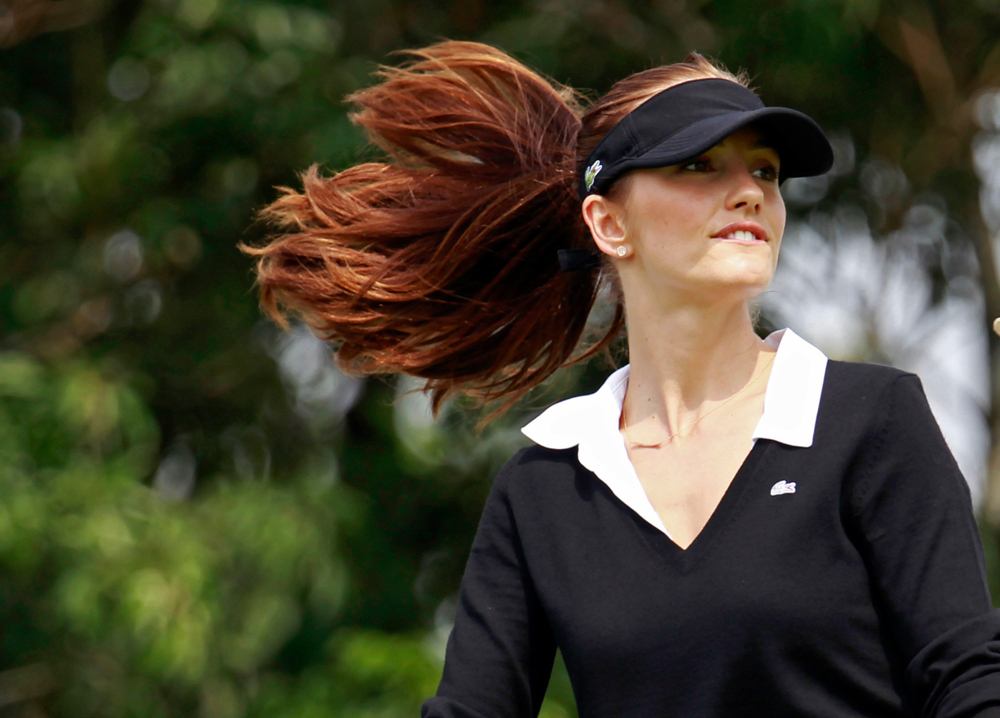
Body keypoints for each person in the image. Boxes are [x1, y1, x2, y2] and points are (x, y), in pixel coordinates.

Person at [243, 41, 1000, 717]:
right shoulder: (545, 486)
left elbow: (969, 681)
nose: (750, 193)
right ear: (609, 224)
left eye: (764, 170)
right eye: (699, 165)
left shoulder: (870, 419)